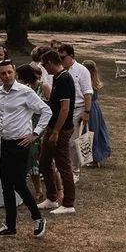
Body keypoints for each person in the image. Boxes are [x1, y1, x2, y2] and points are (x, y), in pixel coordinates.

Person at [0, 60, 50, 238]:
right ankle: (10, 225)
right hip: (4, 143)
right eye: (3, 73)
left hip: (21, 143)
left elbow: (46, 111)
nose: (7, 76)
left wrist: (35, 133)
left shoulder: (25, 92)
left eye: (10, 72)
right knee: (6, 185)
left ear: (15, 72)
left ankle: (38, 218)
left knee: (19, 183)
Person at [38, 51, 77, 215]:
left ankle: (68, 203)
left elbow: (65, 108)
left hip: (61, 128)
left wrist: (56, 132)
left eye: (44, 65)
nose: (44, 69)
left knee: (63, 165)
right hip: (51, 127)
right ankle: (52, 198)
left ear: (49, 63)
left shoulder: (64, 79)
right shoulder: (57, 78)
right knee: (44, 162)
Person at [57, 44, 93, 181]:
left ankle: (75, 171)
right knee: (61, 140)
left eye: (63, 57)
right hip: (63, 109)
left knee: (73, 142)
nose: (60, 60)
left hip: (77, 108)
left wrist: (87, 112)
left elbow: (88, 93)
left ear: (71, 56)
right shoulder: (60, 71)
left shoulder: (81, 70)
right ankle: (63, 168)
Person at [16, 64, 48, 201]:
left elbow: (50, 108)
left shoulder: (44, 87)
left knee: (46, 160)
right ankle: (38, 190)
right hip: (30, 127)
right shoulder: (27, 89)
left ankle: (58, 190)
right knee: (32, 158)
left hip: (43, 127)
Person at [83, 60, 111, 166]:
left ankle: (93, 157)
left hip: (90, 108)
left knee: (90, 132)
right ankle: (93, 157)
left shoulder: (88, 82)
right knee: (95, 131)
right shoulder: (94, 81)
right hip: (95, 109)